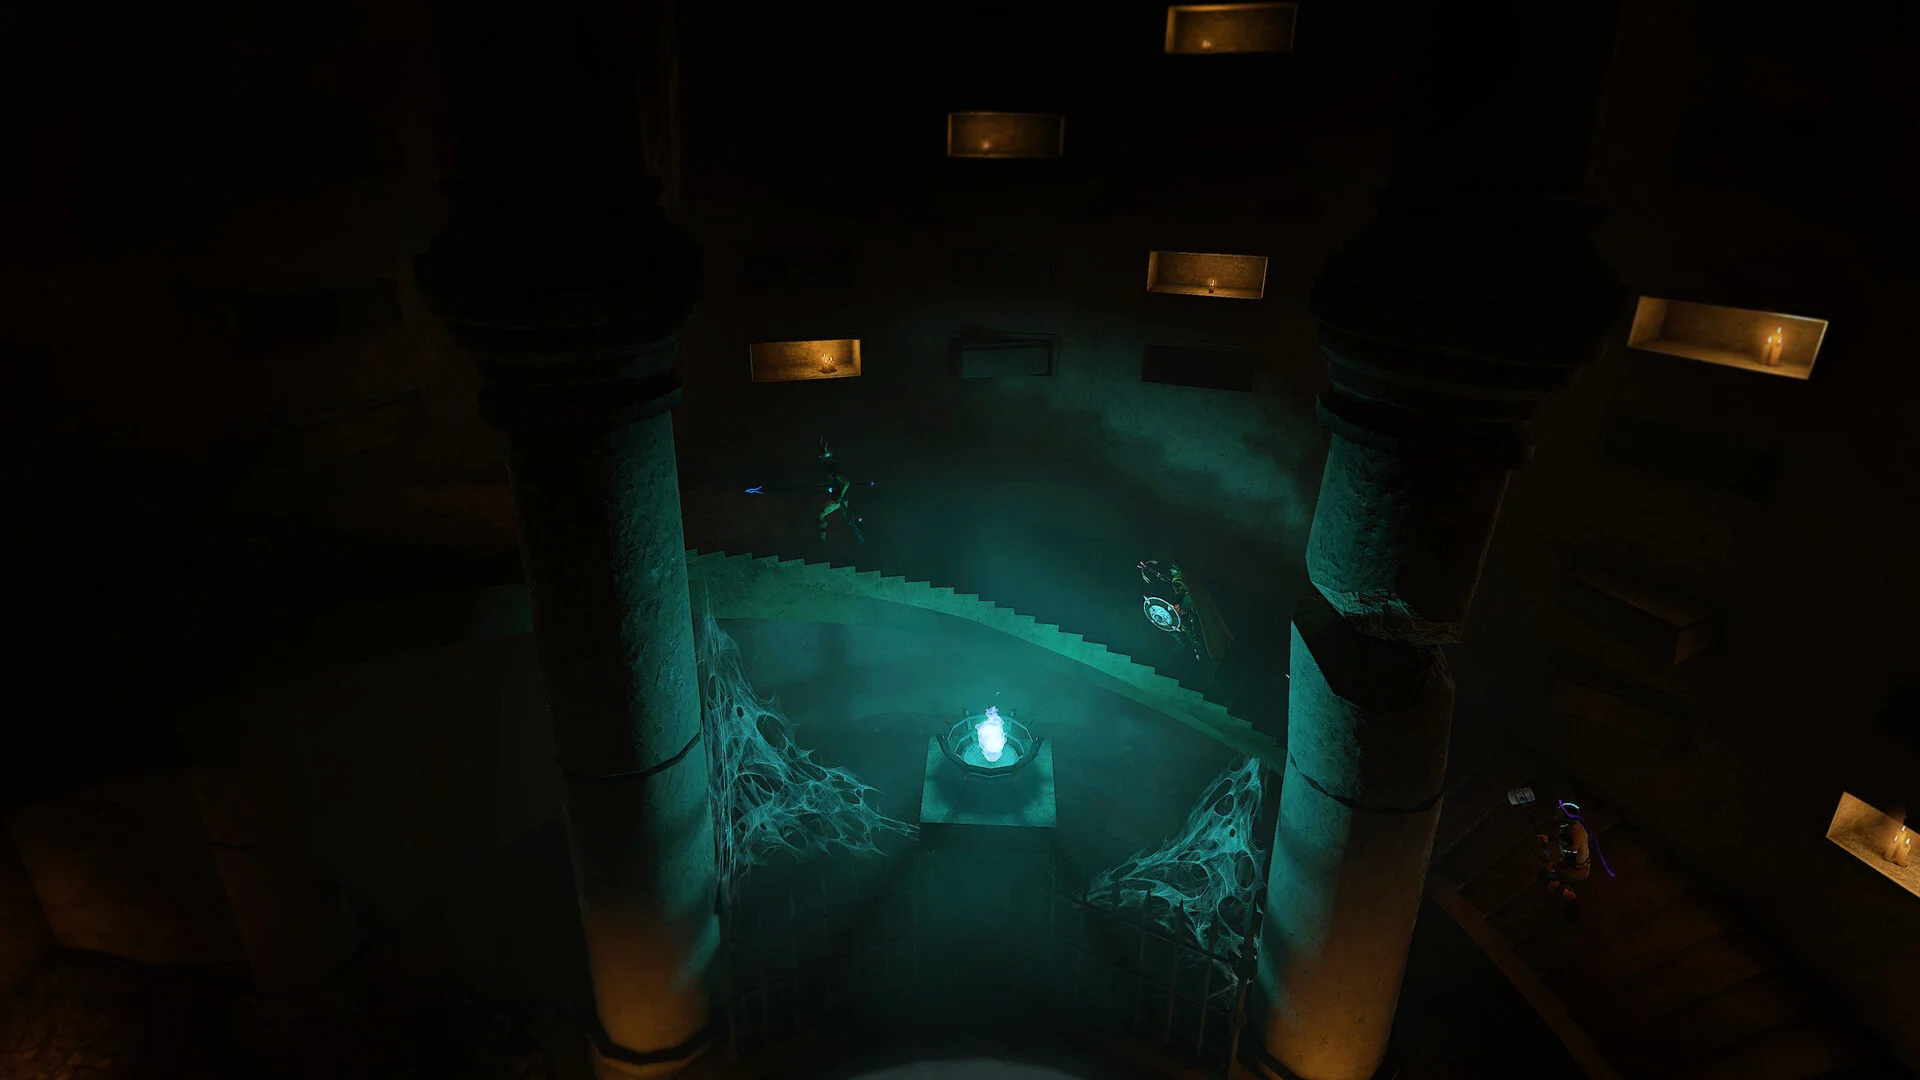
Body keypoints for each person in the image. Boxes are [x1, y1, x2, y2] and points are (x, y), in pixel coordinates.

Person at [816, 438, 862, 542]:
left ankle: (822, 541)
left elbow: (846, 482)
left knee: (821, 513)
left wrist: (840, 497)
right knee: (844, 518)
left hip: (841, 495)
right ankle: (858, 528)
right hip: (842, 494)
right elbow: (835, 481)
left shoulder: (831, 468)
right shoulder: (829, 468)